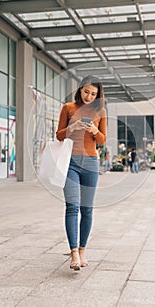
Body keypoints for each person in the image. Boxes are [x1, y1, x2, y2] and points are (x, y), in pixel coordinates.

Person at [56, 76, 106, 271]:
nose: (89, 96)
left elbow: (102, 140)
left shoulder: (100, 111)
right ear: (80, 89)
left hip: (91, 163)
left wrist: (94, 130)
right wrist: (72, 127)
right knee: (72, 206)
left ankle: (83, 250)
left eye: (93, 94)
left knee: (87, 209)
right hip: (70, 163)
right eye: (86, 92)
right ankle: (74, 252)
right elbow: (58, 135)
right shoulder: (68, 107)